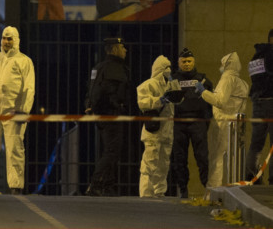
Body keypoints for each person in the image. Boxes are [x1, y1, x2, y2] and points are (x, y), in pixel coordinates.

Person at [0, 26, 35, 195]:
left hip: (14, 111)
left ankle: (16, 187)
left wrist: (24, 111)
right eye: (4, 38)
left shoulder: (24, 61)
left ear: (16, 40)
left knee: (15, 150)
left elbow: (29, 88)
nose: (6, 42)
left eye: (10, 39)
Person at [195, 52, 249, 189]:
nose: (220, 67)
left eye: (222, 64)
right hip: (237, 125)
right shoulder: (242, 83)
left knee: (217, 160)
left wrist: (203, 92)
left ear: (227, 65)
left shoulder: (227, 79)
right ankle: (233, 191)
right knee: (233, 161)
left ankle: (213, 193)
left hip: (223, 124)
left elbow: (220, 101)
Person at [85, 37, 131, 196]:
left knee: (110, 150)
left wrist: (90, 106)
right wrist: (116, 105)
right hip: (111, 114)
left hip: (100, 114)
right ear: (115, 49)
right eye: (122, 47)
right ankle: (96, 183)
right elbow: (107, 91)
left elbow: (91, 90)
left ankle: (107, 185)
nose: (125, 50)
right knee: (112, 151)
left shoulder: (99, 67)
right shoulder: (115, 68)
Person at [169, 47, 213, 198]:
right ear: (178, 63)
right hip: (179, 122)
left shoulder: (203, 79)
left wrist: (205, 122)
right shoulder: (173, 80)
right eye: (184, 61)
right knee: (179, 158)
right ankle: (183, 189)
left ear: (194, 62)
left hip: (197, 121)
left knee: (202, 157)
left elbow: (210, 102)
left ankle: (207, 187)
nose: (186, 64)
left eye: (189, 61)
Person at [137, 55, 177, 198]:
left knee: (163, 163)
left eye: (170, 67)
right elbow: (143, 103)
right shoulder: (148, 85)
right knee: (150, 162)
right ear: (160, 69)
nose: (169, 70)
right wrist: (159, 100)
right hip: (153, 130)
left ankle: (159, 191)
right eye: (166, 67)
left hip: (167, 130)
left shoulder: (171, 85)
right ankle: (146, 192)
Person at [245, 29, 273, 184]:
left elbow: (256, 79)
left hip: (257, 103)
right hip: (271, 102)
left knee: (256, 145)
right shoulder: (271, 55)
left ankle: (252, 176)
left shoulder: (255, 58)